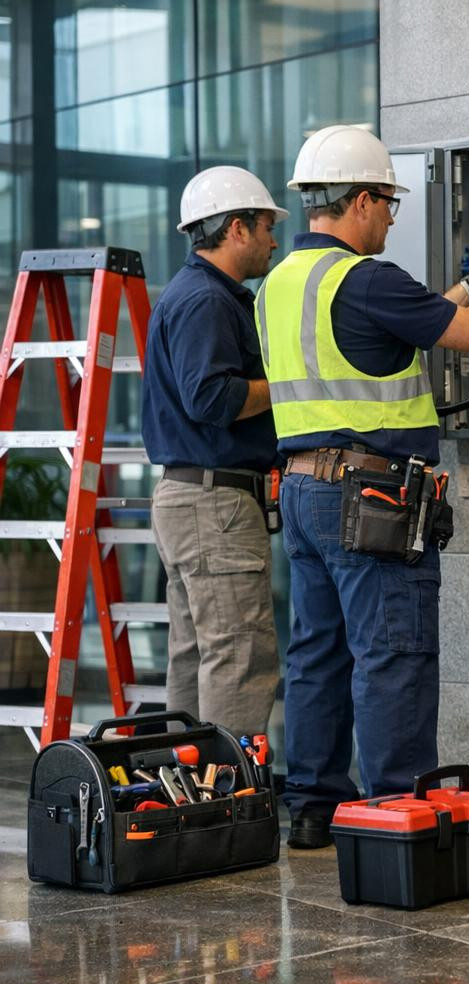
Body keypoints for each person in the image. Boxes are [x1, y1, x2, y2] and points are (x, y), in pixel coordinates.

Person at [257, 124, 469, 849]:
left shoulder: (280, 283)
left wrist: (458, 290)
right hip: (372, 499)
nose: (391, 216)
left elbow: (380, 339)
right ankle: (396, 823)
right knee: (394, 654)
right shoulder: (367, 278)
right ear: (359, 200)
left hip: (301, 491)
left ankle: (316, 809)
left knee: (319, 655)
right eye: (388, 202)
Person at [143, 166, 287, 738]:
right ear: (236, 229)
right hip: (215, 505)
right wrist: (292, 382)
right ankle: (229, 806)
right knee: (239, 659)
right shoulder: (206, 300)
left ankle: (189, 804)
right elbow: (212, 397)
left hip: (190, 499)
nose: (274, 239)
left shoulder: (193, 294)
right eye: (265, 226)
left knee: (195, 655)